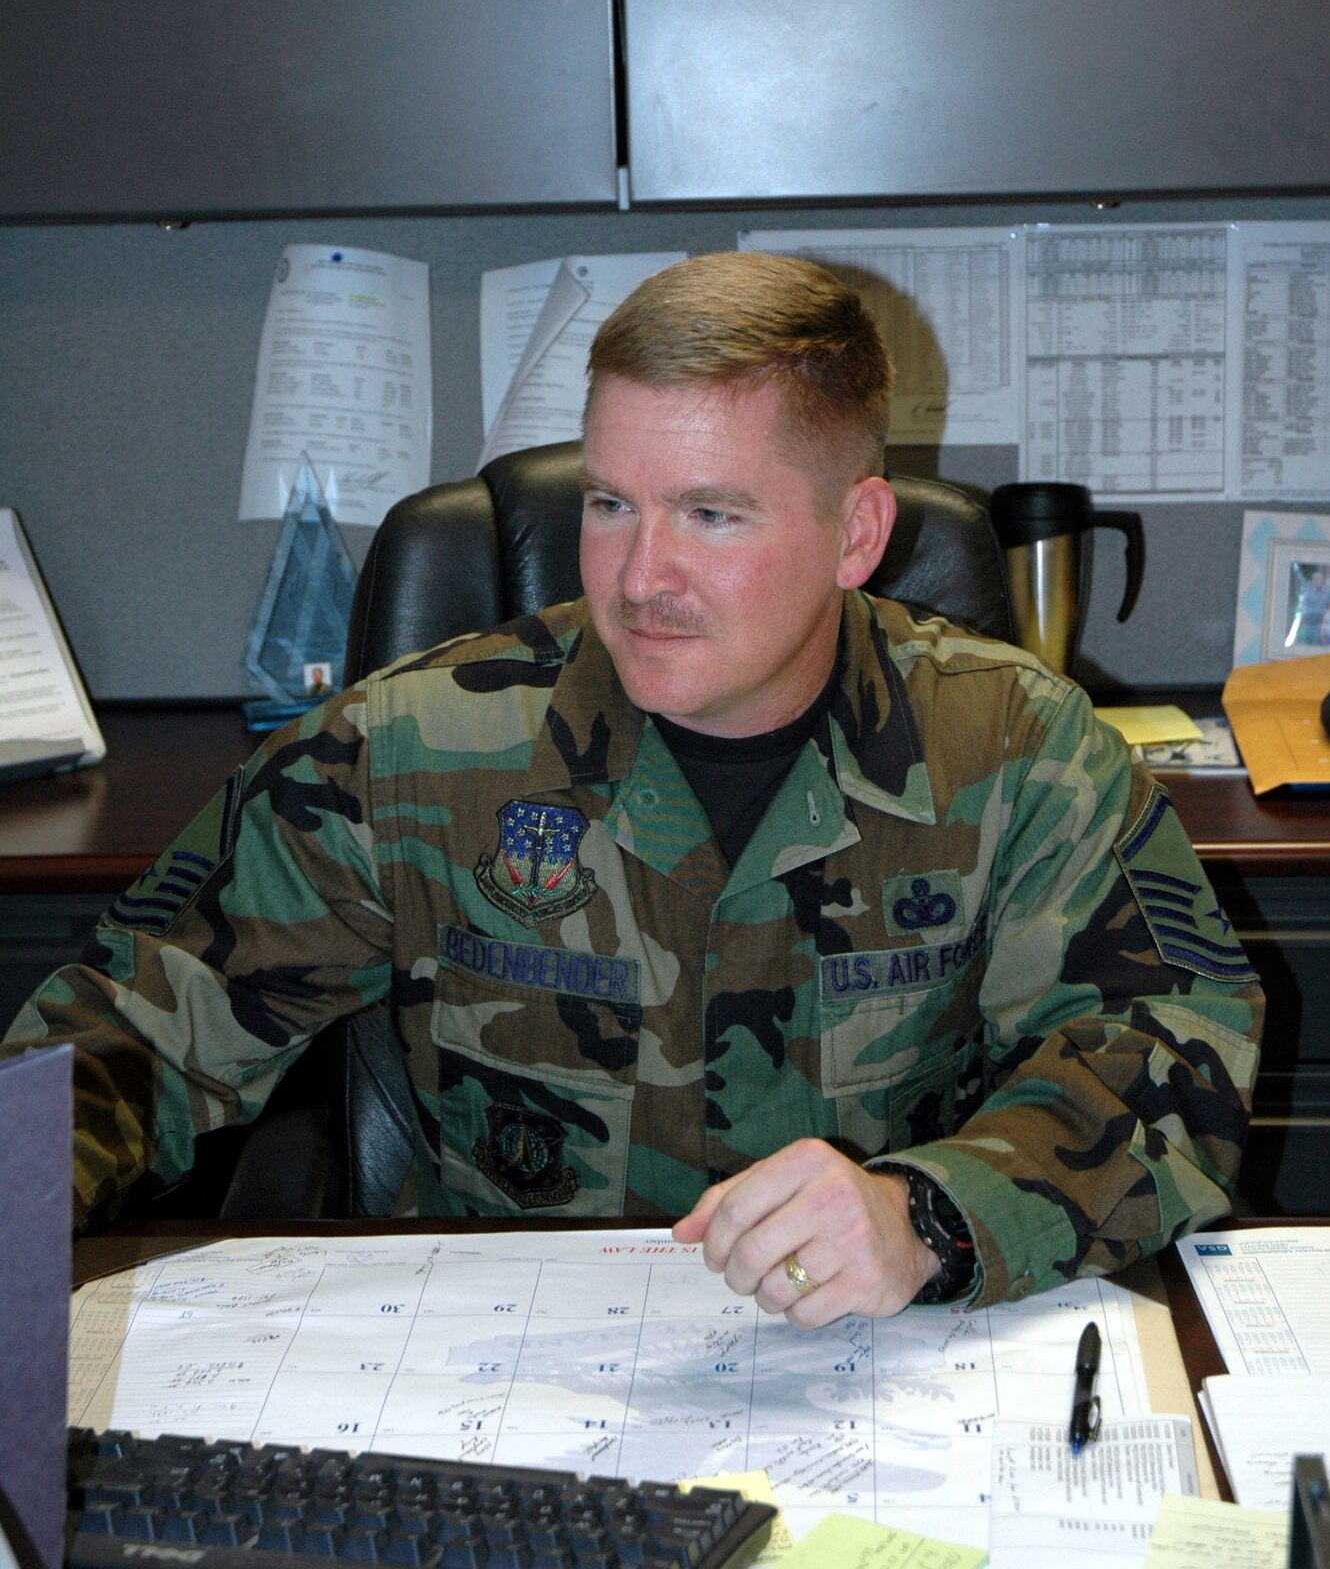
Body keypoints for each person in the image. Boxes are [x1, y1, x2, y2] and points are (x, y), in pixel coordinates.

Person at [1, 251, 1263, 1324]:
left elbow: (1169, 1049)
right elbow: (134, 1020)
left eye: (711, 514)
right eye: (610, 502)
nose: (637, 574)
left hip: (880, 1362)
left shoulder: (1016, 748)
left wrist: (929, 1211)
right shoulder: (413, 745)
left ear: (855, 533)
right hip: (500, 1366)